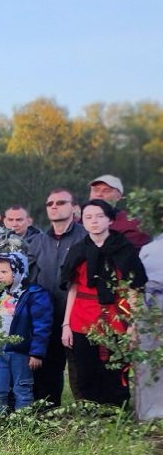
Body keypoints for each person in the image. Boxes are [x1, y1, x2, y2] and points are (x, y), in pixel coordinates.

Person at [61, 199, 149, 406]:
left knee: (116, 368)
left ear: (110, 220)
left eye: (99, 216)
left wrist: (134, 324)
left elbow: (134, 288)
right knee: (86, 369)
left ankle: (117, 414)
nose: (94, 221)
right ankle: (92, 415)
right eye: (88, 217)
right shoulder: (78, 250)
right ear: (82, 221)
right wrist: (66, 324)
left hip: (116, 316)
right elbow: (72, 288)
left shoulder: (125, 250)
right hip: (82, 317)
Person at [25, 189, 86, 405]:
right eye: (50, 203)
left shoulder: (85, 238)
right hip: (46, 316)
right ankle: (47, 414)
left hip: (77, 314)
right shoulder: (38, 241)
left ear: (74, 208)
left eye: (61, 202)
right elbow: (29, 280)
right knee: (47, 369)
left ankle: (87, 416)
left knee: (80, 369)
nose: (54, 206)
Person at [0, 252, 52, 415]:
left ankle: (22, 425)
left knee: (22, 388)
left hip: (21, 351)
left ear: (18, 270)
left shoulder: (35, 294)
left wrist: (37, 353)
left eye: (4, 272)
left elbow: (42, 325)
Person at [132, 234, 163, 421]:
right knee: (149, 357)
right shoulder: (148, 249)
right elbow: (136, 284)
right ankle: (149, 412)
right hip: (149, 308)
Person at [87, 174, 151, 249]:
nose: (99, 194)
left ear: (118, 196)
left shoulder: (131, 224)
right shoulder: (78, 222)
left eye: (106, 190)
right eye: (95, 190)